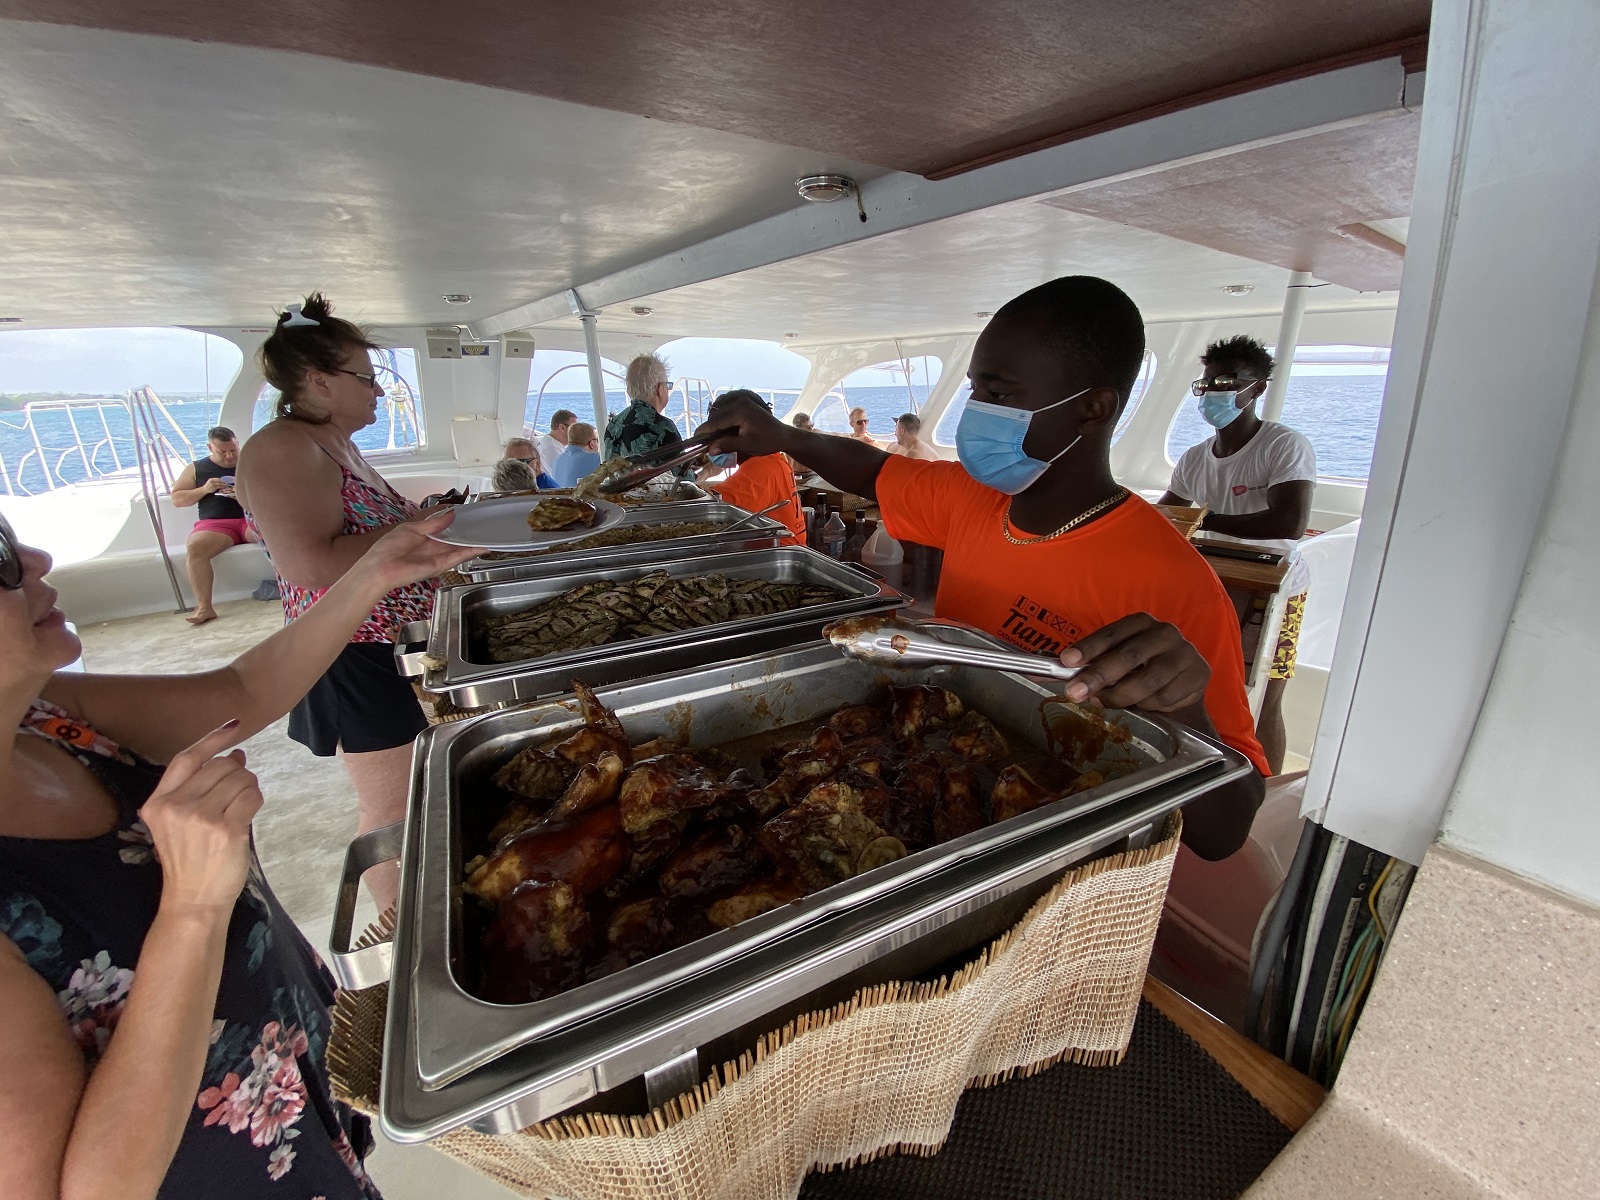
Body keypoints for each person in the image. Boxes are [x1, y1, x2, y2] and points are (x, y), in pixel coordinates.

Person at [699, 276, 1267, 862]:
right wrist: (780, 436)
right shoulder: (972, 497)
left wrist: (1187, 716)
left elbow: (1226, 831)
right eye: (974, 391)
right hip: (934, 796)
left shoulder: (1175, 584)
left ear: (1092, 407)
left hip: (1054, 852)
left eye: (998, 395)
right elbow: (872, 473)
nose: (976, 414)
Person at [0, 506, 476, 1198]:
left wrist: (374, 573)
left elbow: (242, 692)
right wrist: (192, 907)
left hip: (290, 1102)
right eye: (1, 561)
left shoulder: (52, 720)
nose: (37, 562)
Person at [234, 294, 448, 912]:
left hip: (394, 646)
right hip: (350, 652)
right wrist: (425, 528)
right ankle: (397, 938)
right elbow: (309, 563)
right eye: (367, 379)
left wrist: (430, 520)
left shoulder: (335, 444)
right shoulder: (282, 449)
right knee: (392, 809)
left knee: (421, 793)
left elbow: (374, 532)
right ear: (317, 380)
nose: (378, 393)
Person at [1159, 335, 1316, 774]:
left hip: (1275, 590)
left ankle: (1263, 789)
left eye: (1229, 383)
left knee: (1264, 697)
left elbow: (1289, 524)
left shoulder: (1283, 447)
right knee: (1200, 688)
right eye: (1208, 383)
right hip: (1213, 580)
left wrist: (1204, 520)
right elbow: (1168, 516)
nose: (1215, 392)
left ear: (1257, 390)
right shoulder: (1193, 459)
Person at [170, 426, 258, 627]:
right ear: (210, 447)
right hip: (217, 524)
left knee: (277, 534)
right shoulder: (197, 468)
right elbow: (177, 499)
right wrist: (205, 489)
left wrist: (244, 494)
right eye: (222, 451)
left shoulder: (252, 462)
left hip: (250, 516)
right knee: (195, 547)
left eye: (233, 450)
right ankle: (204, 607)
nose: (229, 456)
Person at [698, 391, 806, 544]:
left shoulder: (760, 468)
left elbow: (711, 512)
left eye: (715, 436)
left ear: (741, 432)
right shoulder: (773, 458)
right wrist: (704, 473)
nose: (712, 446)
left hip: (774, 558)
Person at [604, 355, 681, 460]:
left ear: (629, 390)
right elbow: (681, 474)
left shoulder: (613, 425)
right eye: (667, 385)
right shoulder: (663, 427)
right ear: (660, 389)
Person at [550, 421, 602, 488]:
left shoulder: (557, 460)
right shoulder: (597, 459)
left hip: (561, 497)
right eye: (597, 440)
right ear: (591, 444)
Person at [536, 410, 576, 474]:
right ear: (562, 427)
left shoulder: (550, 442)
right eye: (574, 428)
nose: (576, 432)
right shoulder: (552, 448)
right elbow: (566, 475)